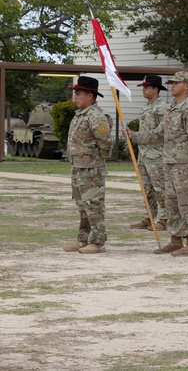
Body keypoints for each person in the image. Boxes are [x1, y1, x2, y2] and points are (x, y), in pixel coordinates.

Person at [63, 76, 113, 254]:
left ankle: (98, 242)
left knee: (94, 205)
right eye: (75, 93)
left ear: (90, 96)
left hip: (91, 169)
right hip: (78, 167)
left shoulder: (96, 116)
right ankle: (83, 239)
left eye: (79, 93)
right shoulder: (80, 115)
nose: (75, 97)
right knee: (82, 206)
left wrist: (96, 161)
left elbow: (105, 143)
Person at [157, 71, 188, 256]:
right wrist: (135, 136)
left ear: (187, 86)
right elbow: (159, 132)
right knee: (172, 204)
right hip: (170, 164)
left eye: (176, 82)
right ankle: (176, 240)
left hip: (185, 165)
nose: (172, 85)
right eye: (172, 82)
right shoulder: (172, 108)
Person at [129, 75, 169, 231]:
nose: (144, 90)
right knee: (147, 189)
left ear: (156, 89)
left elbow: (160, 133)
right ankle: (149, 216)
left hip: (157, 155)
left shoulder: (162, 108)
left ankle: (165, 218)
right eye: (143, 87)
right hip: (144, 155)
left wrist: (136, 136)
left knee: (160, 188)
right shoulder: (146, 107)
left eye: (147, 87)